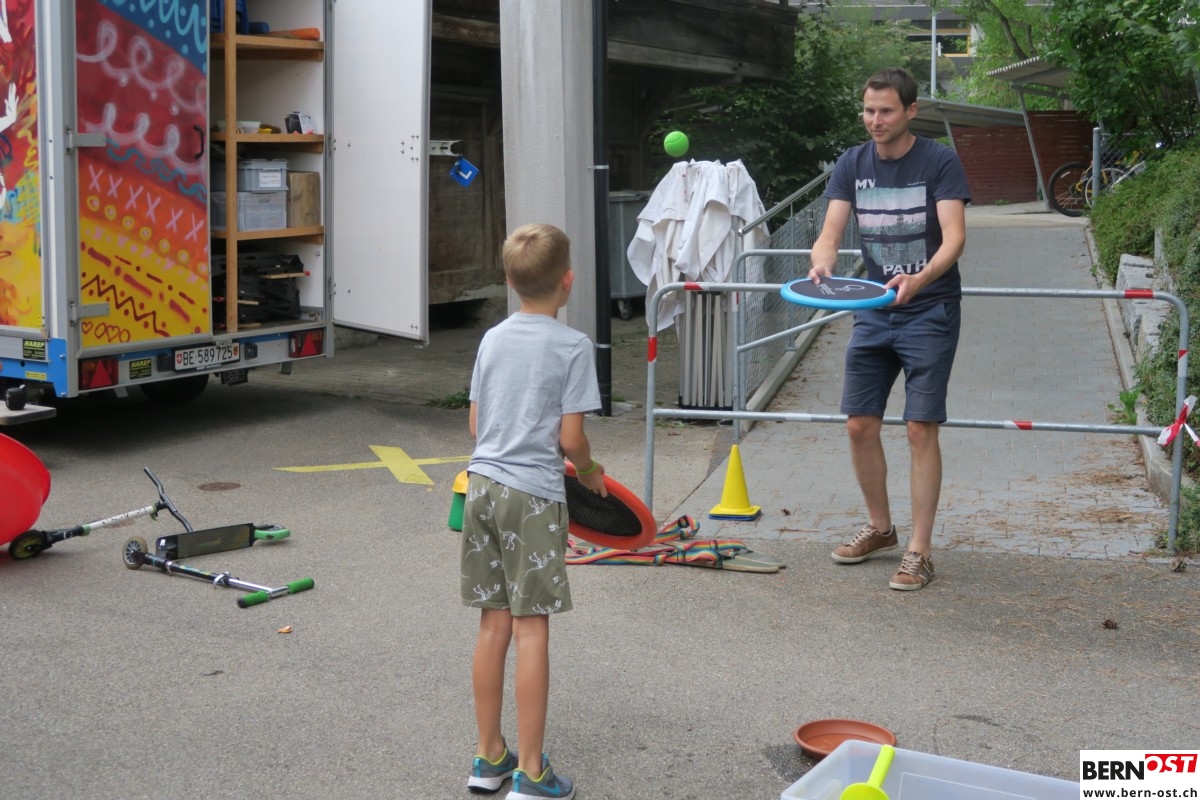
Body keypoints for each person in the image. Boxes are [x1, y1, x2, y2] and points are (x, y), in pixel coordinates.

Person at [808, 66, 970, 591]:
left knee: (920, 428)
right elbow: (831, 232)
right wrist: (822, 262)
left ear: (910, 111)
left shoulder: (939, 160)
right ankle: (881, 529)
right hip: (874, 307)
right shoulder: (852, 163)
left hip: (930, 308)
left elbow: (954, 237)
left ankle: (920, 550)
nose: (874, 120)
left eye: (885, 111)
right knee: (859, 424)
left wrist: (921, 279)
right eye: (868, 110)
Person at [461, 223, 604, 799]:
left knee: (492, 623)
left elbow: (477, 425)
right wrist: (590, 472)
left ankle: (489, 756)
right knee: (531, 627)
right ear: (567, 281)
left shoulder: (492, 339)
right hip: (532, 497)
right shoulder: (573, 346)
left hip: (481, 487)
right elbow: (571, 439)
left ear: (509, 280)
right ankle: (532, 772)